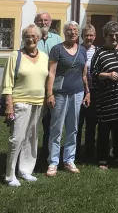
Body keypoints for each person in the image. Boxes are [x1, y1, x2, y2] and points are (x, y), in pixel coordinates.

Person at [1, 24, 49, 187]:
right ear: (23, 39)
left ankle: (25, 170)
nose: (31, 39)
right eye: (27, 36)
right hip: (20, 102)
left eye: (34, 36)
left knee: (31, 138)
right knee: (17, 138)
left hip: (38, 103)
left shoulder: (44, 57)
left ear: (39, 38)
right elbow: (7, 82)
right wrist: (9, 104)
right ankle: (9, 174)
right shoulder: (15, 56)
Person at [45, 22, 90, 176]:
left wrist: (87, 92)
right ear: (64, 32)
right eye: (69, 30)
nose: (72, 32)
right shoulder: (57, 49)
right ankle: (53, 162)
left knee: (73, 128)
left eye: (75, 30)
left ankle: (69, 160)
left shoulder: (82, 50)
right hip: (60, 94)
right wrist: (49, 93)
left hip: (77, 94)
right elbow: (51, 73)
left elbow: (84, 74)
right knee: (56, 128)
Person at [90, 22, 118, 169]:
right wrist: (107, 75)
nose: (114, 38)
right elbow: (93, 73)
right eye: (111, 35)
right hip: (105, 98)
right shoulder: (99, 52)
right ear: (105, 36)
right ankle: (102, 158)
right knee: (104, 129)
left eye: (117, 35)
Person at [33, 12, 62, 164]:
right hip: (35, 86)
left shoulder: (57, 39)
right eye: (40, 20)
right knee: (33, 122)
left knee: (50, 122)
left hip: (52, 87)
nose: (43, 23)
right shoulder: (31, 37)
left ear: (50, 23)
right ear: (35, 22)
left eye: (46, 20)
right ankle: (30, 154)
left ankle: (46, 153)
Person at [76, 24, 97, 160]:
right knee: (77, 123)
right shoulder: (77, 50)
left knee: (91, 123)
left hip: (94, 92)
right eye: (86, 35)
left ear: (95, 36)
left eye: (91, 35)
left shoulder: (98, 51)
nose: (89, 38)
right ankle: (76, 152)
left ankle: (89, 152)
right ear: (82, 36)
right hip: (79, 91)